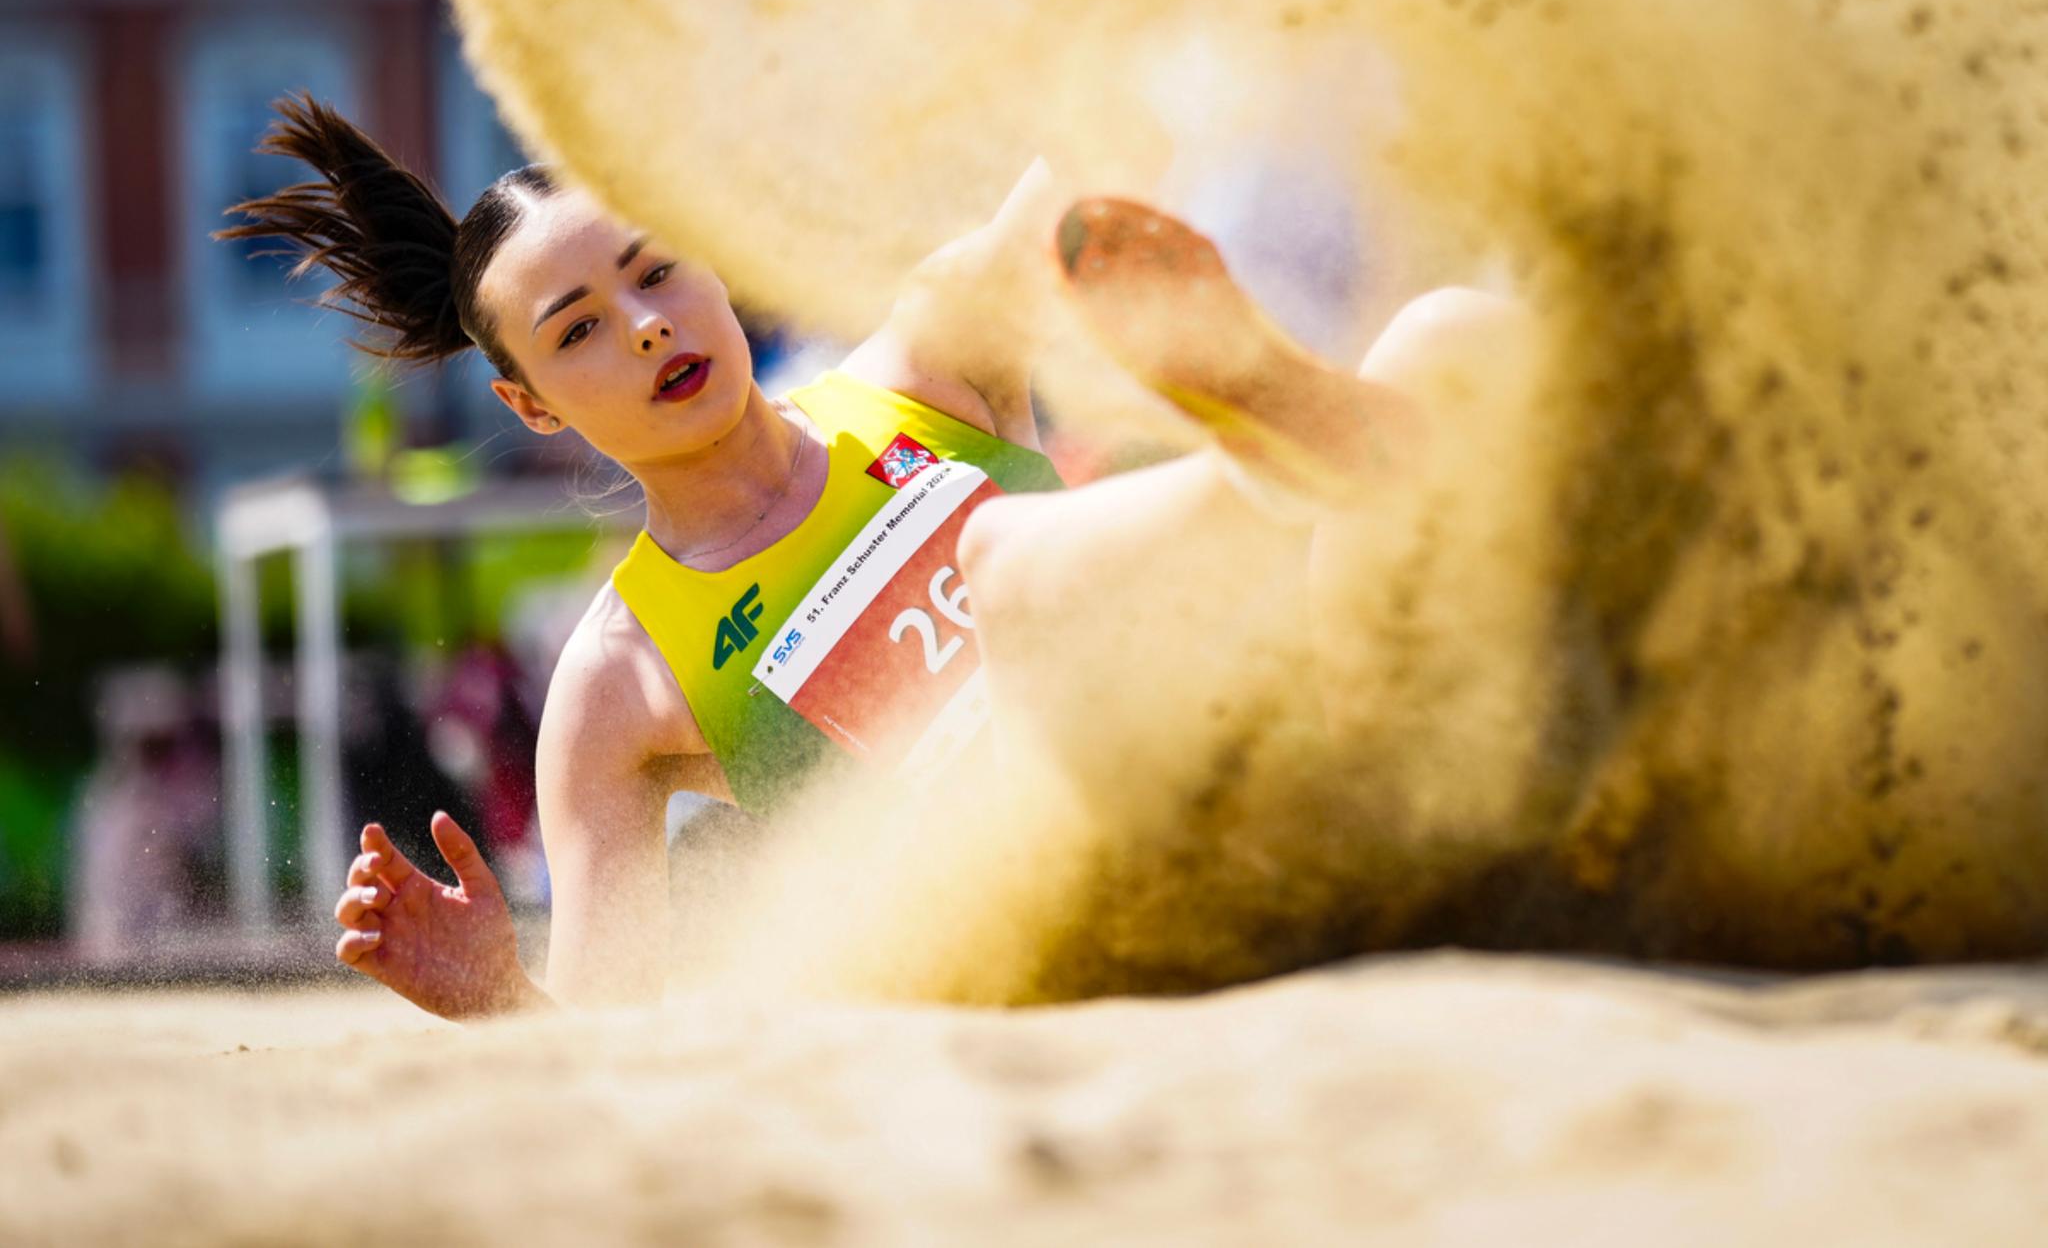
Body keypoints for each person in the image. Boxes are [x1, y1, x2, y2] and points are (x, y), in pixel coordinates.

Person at [224, 95, 1498, 1020]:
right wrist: (502, 996)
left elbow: (1109, 130)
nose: (651, 325)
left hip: (1296, 766)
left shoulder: (929, 356)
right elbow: (611, 1051)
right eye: (581, 331)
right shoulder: (615, 684)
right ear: (532, 406)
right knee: (1005, 565)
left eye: (657, 269)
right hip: (1097, 917)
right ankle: (1276, 461)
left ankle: (1306, 464)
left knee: (1449, 339)